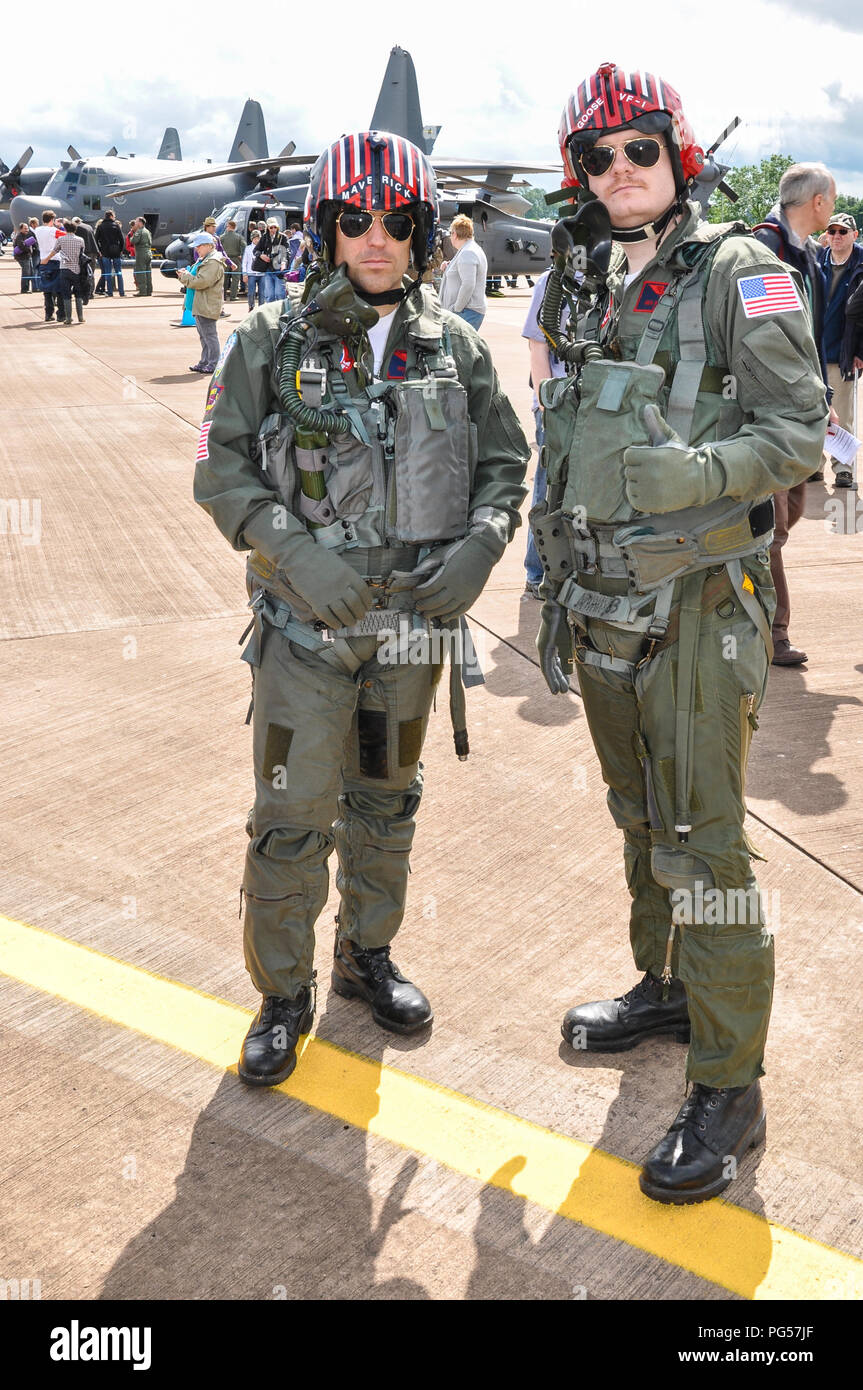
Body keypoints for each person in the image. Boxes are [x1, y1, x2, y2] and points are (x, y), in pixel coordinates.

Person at [536, 63, 826, 1205]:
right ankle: (663, 987)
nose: (619, 172)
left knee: (702, 840)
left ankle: (727, 1084)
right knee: (638, 814)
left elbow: (799, 431)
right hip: (605, 603)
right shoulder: (586, 279)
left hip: (701, 606)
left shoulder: (740, 271)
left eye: (638, 151)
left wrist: (704, 471)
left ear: (678, 155)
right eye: (597, 158)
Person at [193, 130, 529, 1087]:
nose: (373, 238)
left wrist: (480, 546)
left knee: (386, 802)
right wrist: (296, 558)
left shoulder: (455, 347)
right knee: (292, 815)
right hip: (306, 637)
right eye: (354, 221)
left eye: (394, 222)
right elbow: (220, 472)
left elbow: (504, 466)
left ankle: (364, 958)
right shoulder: (267, 342)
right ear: (326, 230)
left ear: (420, 231)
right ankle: (282, 992)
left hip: (412, 635)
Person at [752, 163, 836, 665]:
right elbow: (765, 339)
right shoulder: (764, 250)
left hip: (803, 409)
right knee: (774, 528)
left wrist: (822, 400)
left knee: (792, 513)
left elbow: (806, 341)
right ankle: (773, 631)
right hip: (770, 414)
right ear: (819, 201)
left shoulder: (806, 254)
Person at [521, 266, 569, 598]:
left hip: (598, 404)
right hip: (556, 403)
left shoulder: (613, 277)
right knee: (547, 489)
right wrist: (544, 404)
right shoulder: (553, 281)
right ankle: (537, 572)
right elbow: (538, 348)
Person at [817, 212, 863, 488]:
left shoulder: (861, 266)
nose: (837, 236)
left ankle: (843, 468)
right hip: (813, 351)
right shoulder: (816, 261)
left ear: (854, 235)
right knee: (812, 412)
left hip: (843, 353)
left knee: (841, 414)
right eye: (832, 231)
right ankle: (814, 465)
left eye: (843, 232)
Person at [177, 233, 225, 373]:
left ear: (208, 246)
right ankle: (205, 361)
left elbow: (202, 282)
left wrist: (185, 277)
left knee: (209, 336)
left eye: (199, 246)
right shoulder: (206, 259)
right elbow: (198, 278)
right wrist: (186, 275)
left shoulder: (213, 262)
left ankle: (213, 363)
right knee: (204, 336)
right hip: (200, 304)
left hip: (206, 304)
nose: (196, 249)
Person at [439, 215, 488, 329]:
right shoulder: (468, 250)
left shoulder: (467, 252)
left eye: (451, 233)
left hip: (465, 312)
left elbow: (468, 284)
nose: (450, 236)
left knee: (455, 347)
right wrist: (449, 266)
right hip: (466, 312)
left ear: (455, 234)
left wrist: (456, 309)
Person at [44, 219, 86, 324]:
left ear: (66, 229)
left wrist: (46, 259)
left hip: (64, 269)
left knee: (66, 294)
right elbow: (82, 253)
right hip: (77, 270)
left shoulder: (61, 239)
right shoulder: (80, 240)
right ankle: (80, 317)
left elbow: (55, 251)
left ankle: (68, 318)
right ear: (75, 229)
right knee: (78, 294)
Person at [34, 210, 63, 321]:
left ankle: (48, 314)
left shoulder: (38, 230)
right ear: (52, 220)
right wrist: (61, 226)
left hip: (43, 262)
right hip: (55, 261)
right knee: (59, 289)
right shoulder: (54, 230)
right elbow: (66, 235)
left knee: (47, 290)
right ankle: (61, 315)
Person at [95, 210, 126, 297]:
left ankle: (110, 292)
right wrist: (120, 250)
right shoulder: (116, 225)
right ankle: (121, 292)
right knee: (119, 272)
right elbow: (121, 239)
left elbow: (96, 239)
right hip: (116, 251)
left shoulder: (100, 226)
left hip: (105, 252)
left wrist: (99, 251)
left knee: (107, 272)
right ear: (111, 216)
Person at [220, 218, 245, 301]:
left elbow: (218, 247)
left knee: (224, 277)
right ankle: (233, 296)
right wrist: (241, 254)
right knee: (235, 278)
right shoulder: (238, 237)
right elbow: (244, 246)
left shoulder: (222, 237)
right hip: (236, 258)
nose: (226, 227)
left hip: (225, 259)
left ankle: (223, 296)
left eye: (227, 226)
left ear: (229, 227)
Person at [12, 221, 38, 293]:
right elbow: (21, 246)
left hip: (27, 257)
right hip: (22, 258)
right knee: (26, 273)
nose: (27, 230)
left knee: (31, 272)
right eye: (25, 228)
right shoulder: (19, 236)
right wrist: (29, 250)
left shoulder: (26, 235)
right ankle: (24, 289)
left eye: (27, 228)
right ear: (21, 229)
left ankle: (31, 288)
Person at [131, 218, 153, 295]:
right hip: (149, 253)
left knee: (141, 272)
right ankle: (149, 290)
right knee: (148, 272)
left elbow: (133, 241)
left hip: (141, 253)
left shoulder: (139, 231)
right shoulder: (147, 231)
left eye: (136, 221)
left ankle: (142, 291)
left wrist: (132, 236)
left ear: (140, 222)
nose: (135, 223)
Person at [242, 229, 262, 310]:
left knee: (262, 293)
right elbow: (244, 262)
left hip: (262, 274)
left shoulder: (263, 248)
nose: (257, 240)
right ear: (252, 239)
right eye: (255, 238)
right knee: (251, 292)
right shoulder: (248, 248)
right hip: (251, 274)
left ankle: (261, 308)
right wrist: (244, 273)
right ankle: (251, 306)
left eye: (258, 238)